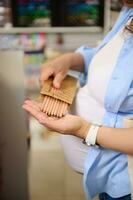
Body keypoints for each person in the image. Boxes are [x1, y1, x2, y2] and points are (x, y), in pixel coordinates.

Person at [23, 1, 133, 199]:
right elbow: (108, 58)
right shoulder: (129, 11)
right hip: (103, 177)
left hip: (125, 185)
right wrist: (68, 61)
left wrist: (83, 130)